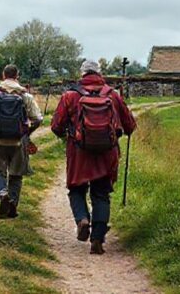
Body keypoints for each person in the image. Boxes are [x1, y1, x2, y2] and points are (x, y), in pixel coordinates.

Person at [51, 60, 136, 255]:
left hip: (79, 152)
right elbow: (129, 125)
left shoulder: (70, 95)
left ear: (82, 74)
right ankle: (97, 238)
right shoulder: (113, 95)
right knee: (101, 194)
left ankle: (82, 219)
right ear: (100, 73)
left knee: (76, 190)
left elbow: (56, 126)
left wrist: (69, 137)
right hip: (107, 153)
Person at [0, 65, 43, 219]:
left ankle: (2, 193)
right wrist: (27, 132)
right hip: (18, 142)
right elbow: (38, 118)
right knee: (16, 175)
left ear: (3, 75)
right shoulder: (25, 95)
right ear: (17, 75)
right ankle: (12, 207)